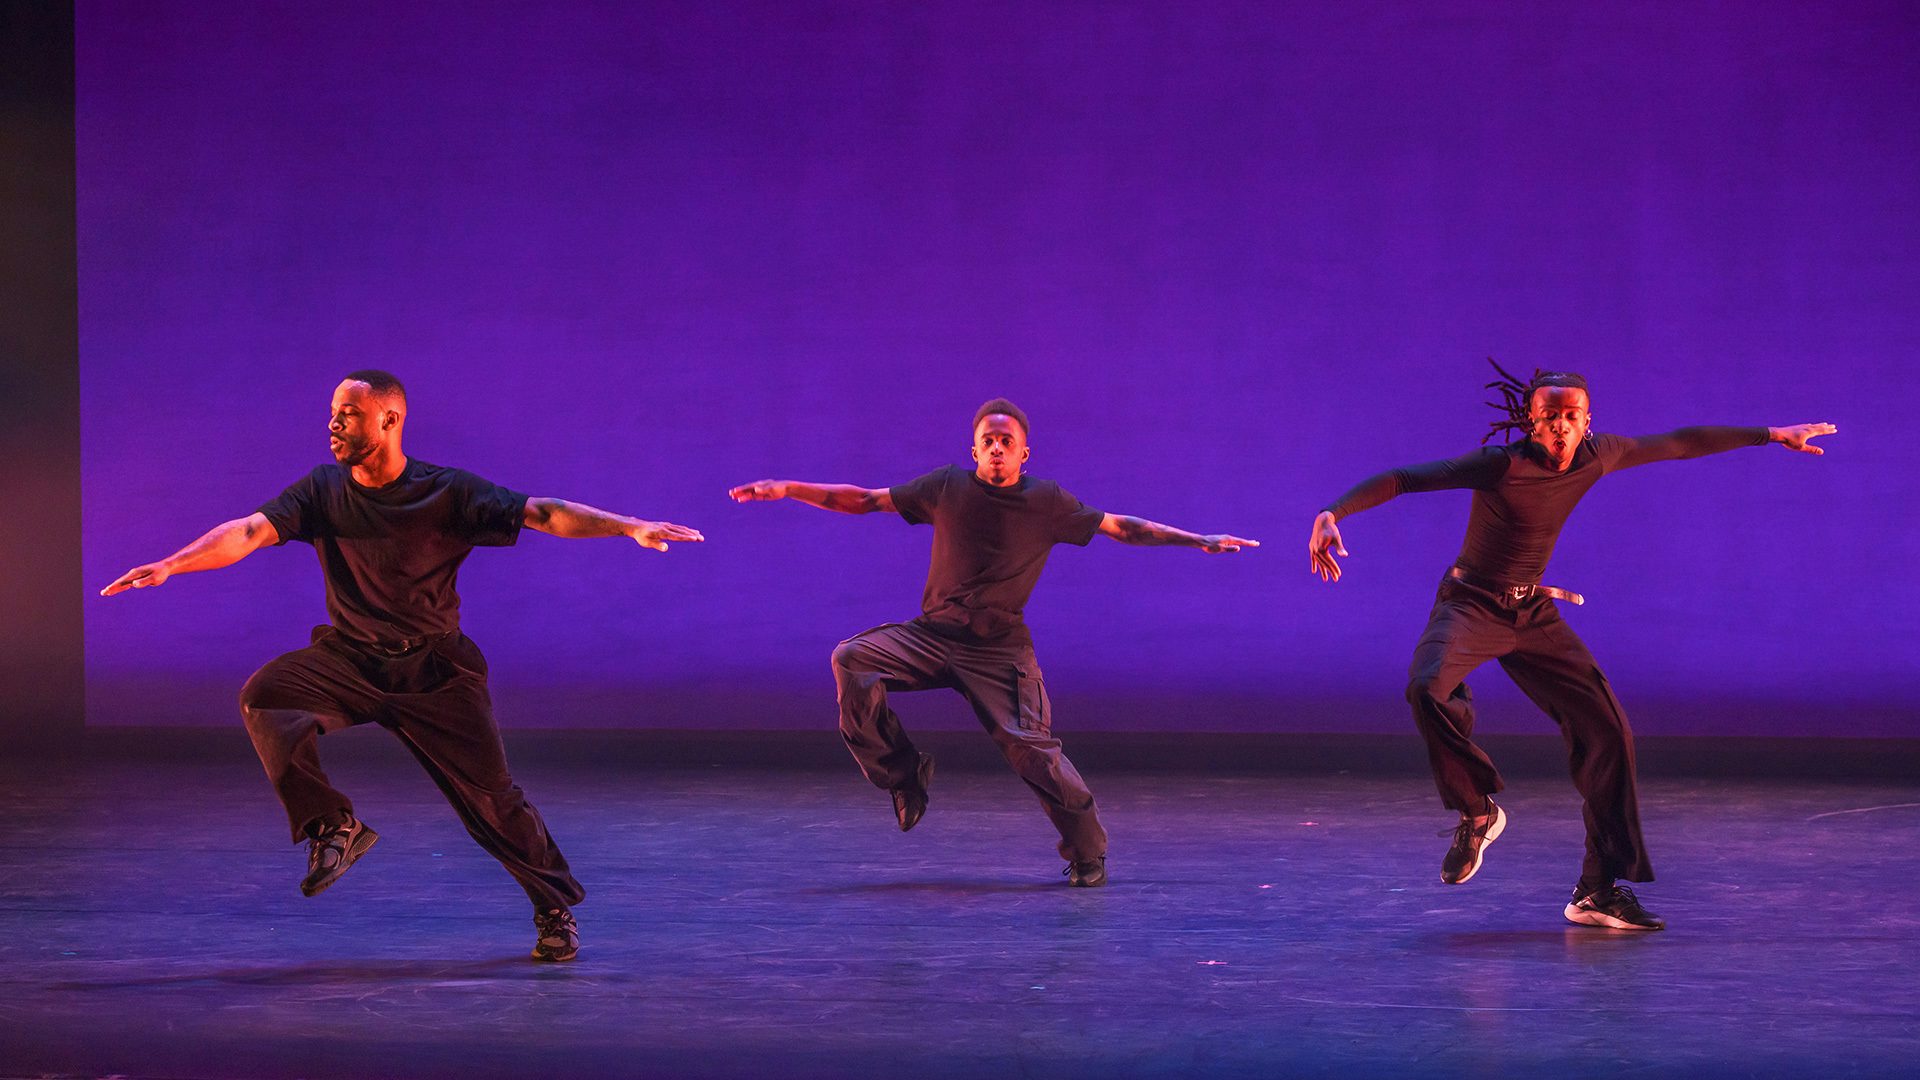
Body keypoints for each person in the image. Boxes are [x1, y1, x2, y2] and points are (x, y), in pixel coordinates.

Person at [101, 370, 704, 962]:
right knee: (268, 695)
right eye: (333, 412)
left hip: (434, 671)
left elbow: (544, 512)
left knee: (493, 802)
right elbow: (250, 531)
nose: (333, 423)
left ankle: (552, 908)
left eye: (349, 413)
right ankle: (333, 827)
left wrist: (630, 526)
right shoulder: (322, 490)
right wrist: (171, 565)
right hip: (351, 659)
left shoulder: (447, 491)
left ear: (389, 420)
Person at [1307, 362, 1835, 929]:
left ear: (1588, 422)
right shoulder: (1500, 464)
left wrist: (1772, 434)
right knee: (1424, 686)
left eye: (1571, 417)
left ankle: (1596, 891)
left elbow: (1680, 443)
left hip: (1533, 612)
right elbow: (1405, 477)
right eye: (1550, 418)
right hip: (1471, 604)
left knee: (1608, 731)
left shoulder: (1599, 454)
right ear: (1531, 422)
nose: (1561, 428)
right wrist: (1332, 513)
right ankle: (1478, 811)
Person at [730, 398, 1258, 887]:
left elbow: (1121, 527)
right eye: (989, 440)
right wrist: (788, 488)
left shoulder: (1047, 502)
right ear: (975, 450)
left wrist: (1198, 540)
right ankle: (904, 772)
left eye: (1008, 442)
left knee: (1032, 750)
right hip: (932, 636)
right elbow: (866, 500)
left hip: (999, 650)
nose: (998, 448)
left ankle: (1087, 852)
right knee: (851, 658)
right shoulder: (945, 488)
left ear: (1024, 453)